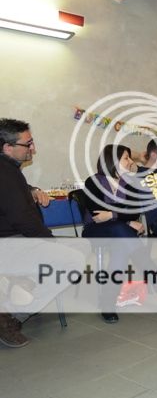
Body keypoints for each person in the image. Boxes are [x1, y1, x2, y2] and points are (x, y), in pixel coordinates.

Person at [0, 118, 84, 348]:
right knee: (73, 261)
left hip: (17, 241)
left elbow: (15, 195)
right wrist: (50, 241)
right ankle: (11, 315)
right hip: (9, 245)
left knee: (81, 246)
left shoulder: (9, 170)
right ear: (8, 147)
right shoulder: (5, 173)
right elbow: (23, 220)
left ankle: (23, 284)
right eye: (28, 144)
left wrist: (33, 190)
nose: (33, 148)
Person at [82, 144, 157, 323]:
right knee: (120, 229)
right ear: (113, 161)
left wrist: (113, 215)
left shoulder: (129, 183)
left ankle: (107, 303)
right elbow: (97, 215)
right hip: (96, 231)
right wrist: (124, 219)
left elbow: (134, 211)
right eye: (126, 158)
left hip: (120, 234)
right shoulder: (93, 182)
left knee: (121, 246)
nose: (130, 161)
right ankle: (149, 269)